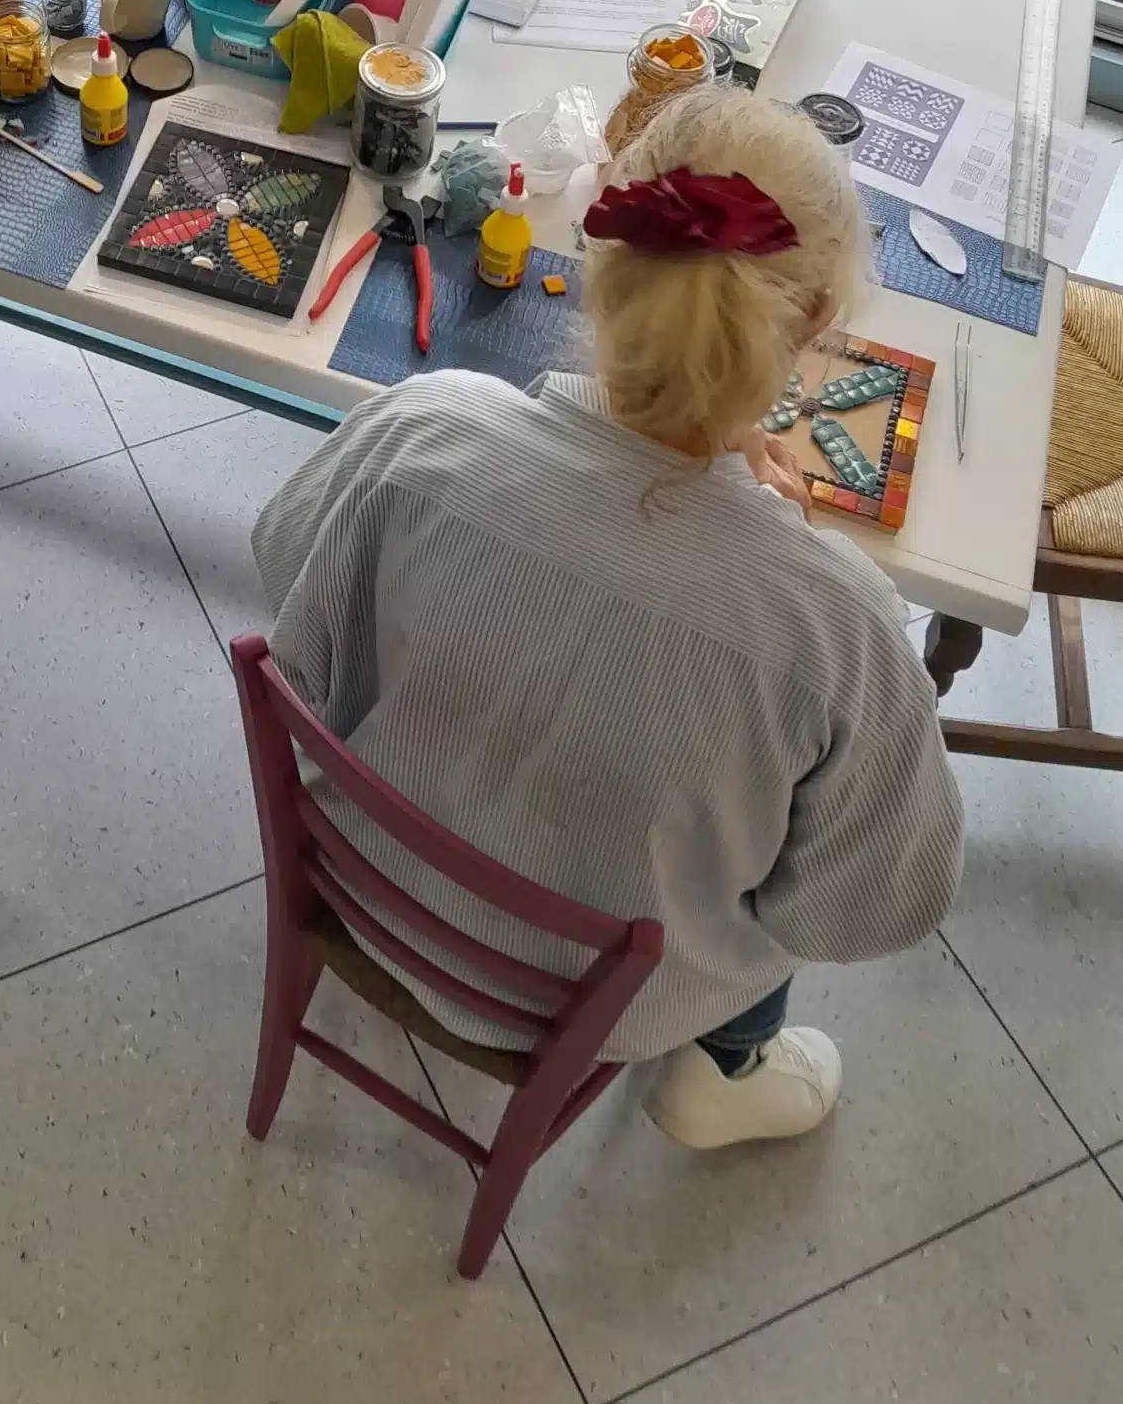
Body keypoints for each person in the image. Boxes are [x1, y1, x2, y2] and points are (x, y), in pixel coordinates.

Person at [254, 86, 963, 1149]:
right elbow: (867, 903)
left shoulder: (422, 432)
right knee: (772, 844)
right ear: (814, 325)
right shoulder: (840, 632)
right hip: (606, 1004)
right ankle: (724, 1074)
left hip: (364, 881)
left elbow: (287, 573)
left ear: (596, 255)